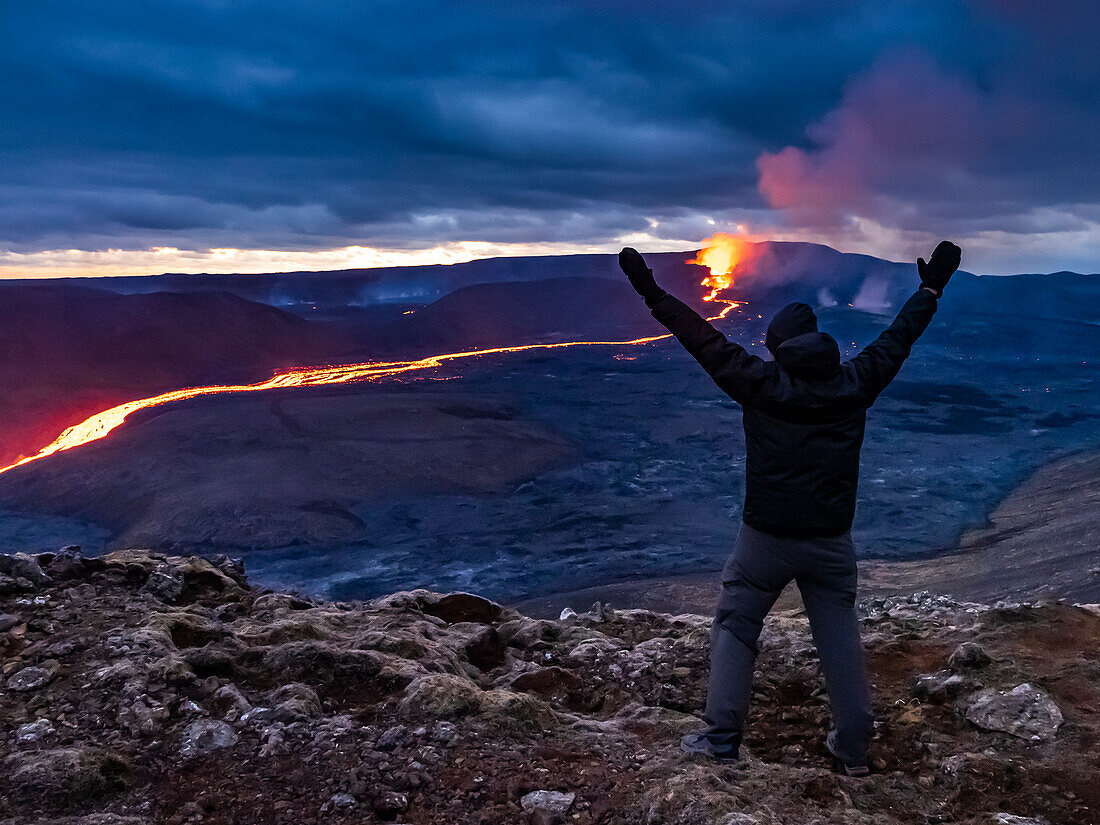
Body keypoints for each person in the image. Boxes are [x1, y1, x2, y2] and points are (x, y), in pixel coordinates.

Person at [618, 241, 962, 776]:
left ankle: (721, 740)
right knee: (840, 639)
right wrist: (931, 289)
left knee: (736, 626)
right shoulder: (857, 381)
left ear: (778, 348)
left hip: (765, 542)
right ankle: (852, 752)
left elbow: (701, 338)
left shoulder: (759, 382)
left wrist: (651, 292)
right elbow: (900, 337)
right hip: (831, 543)